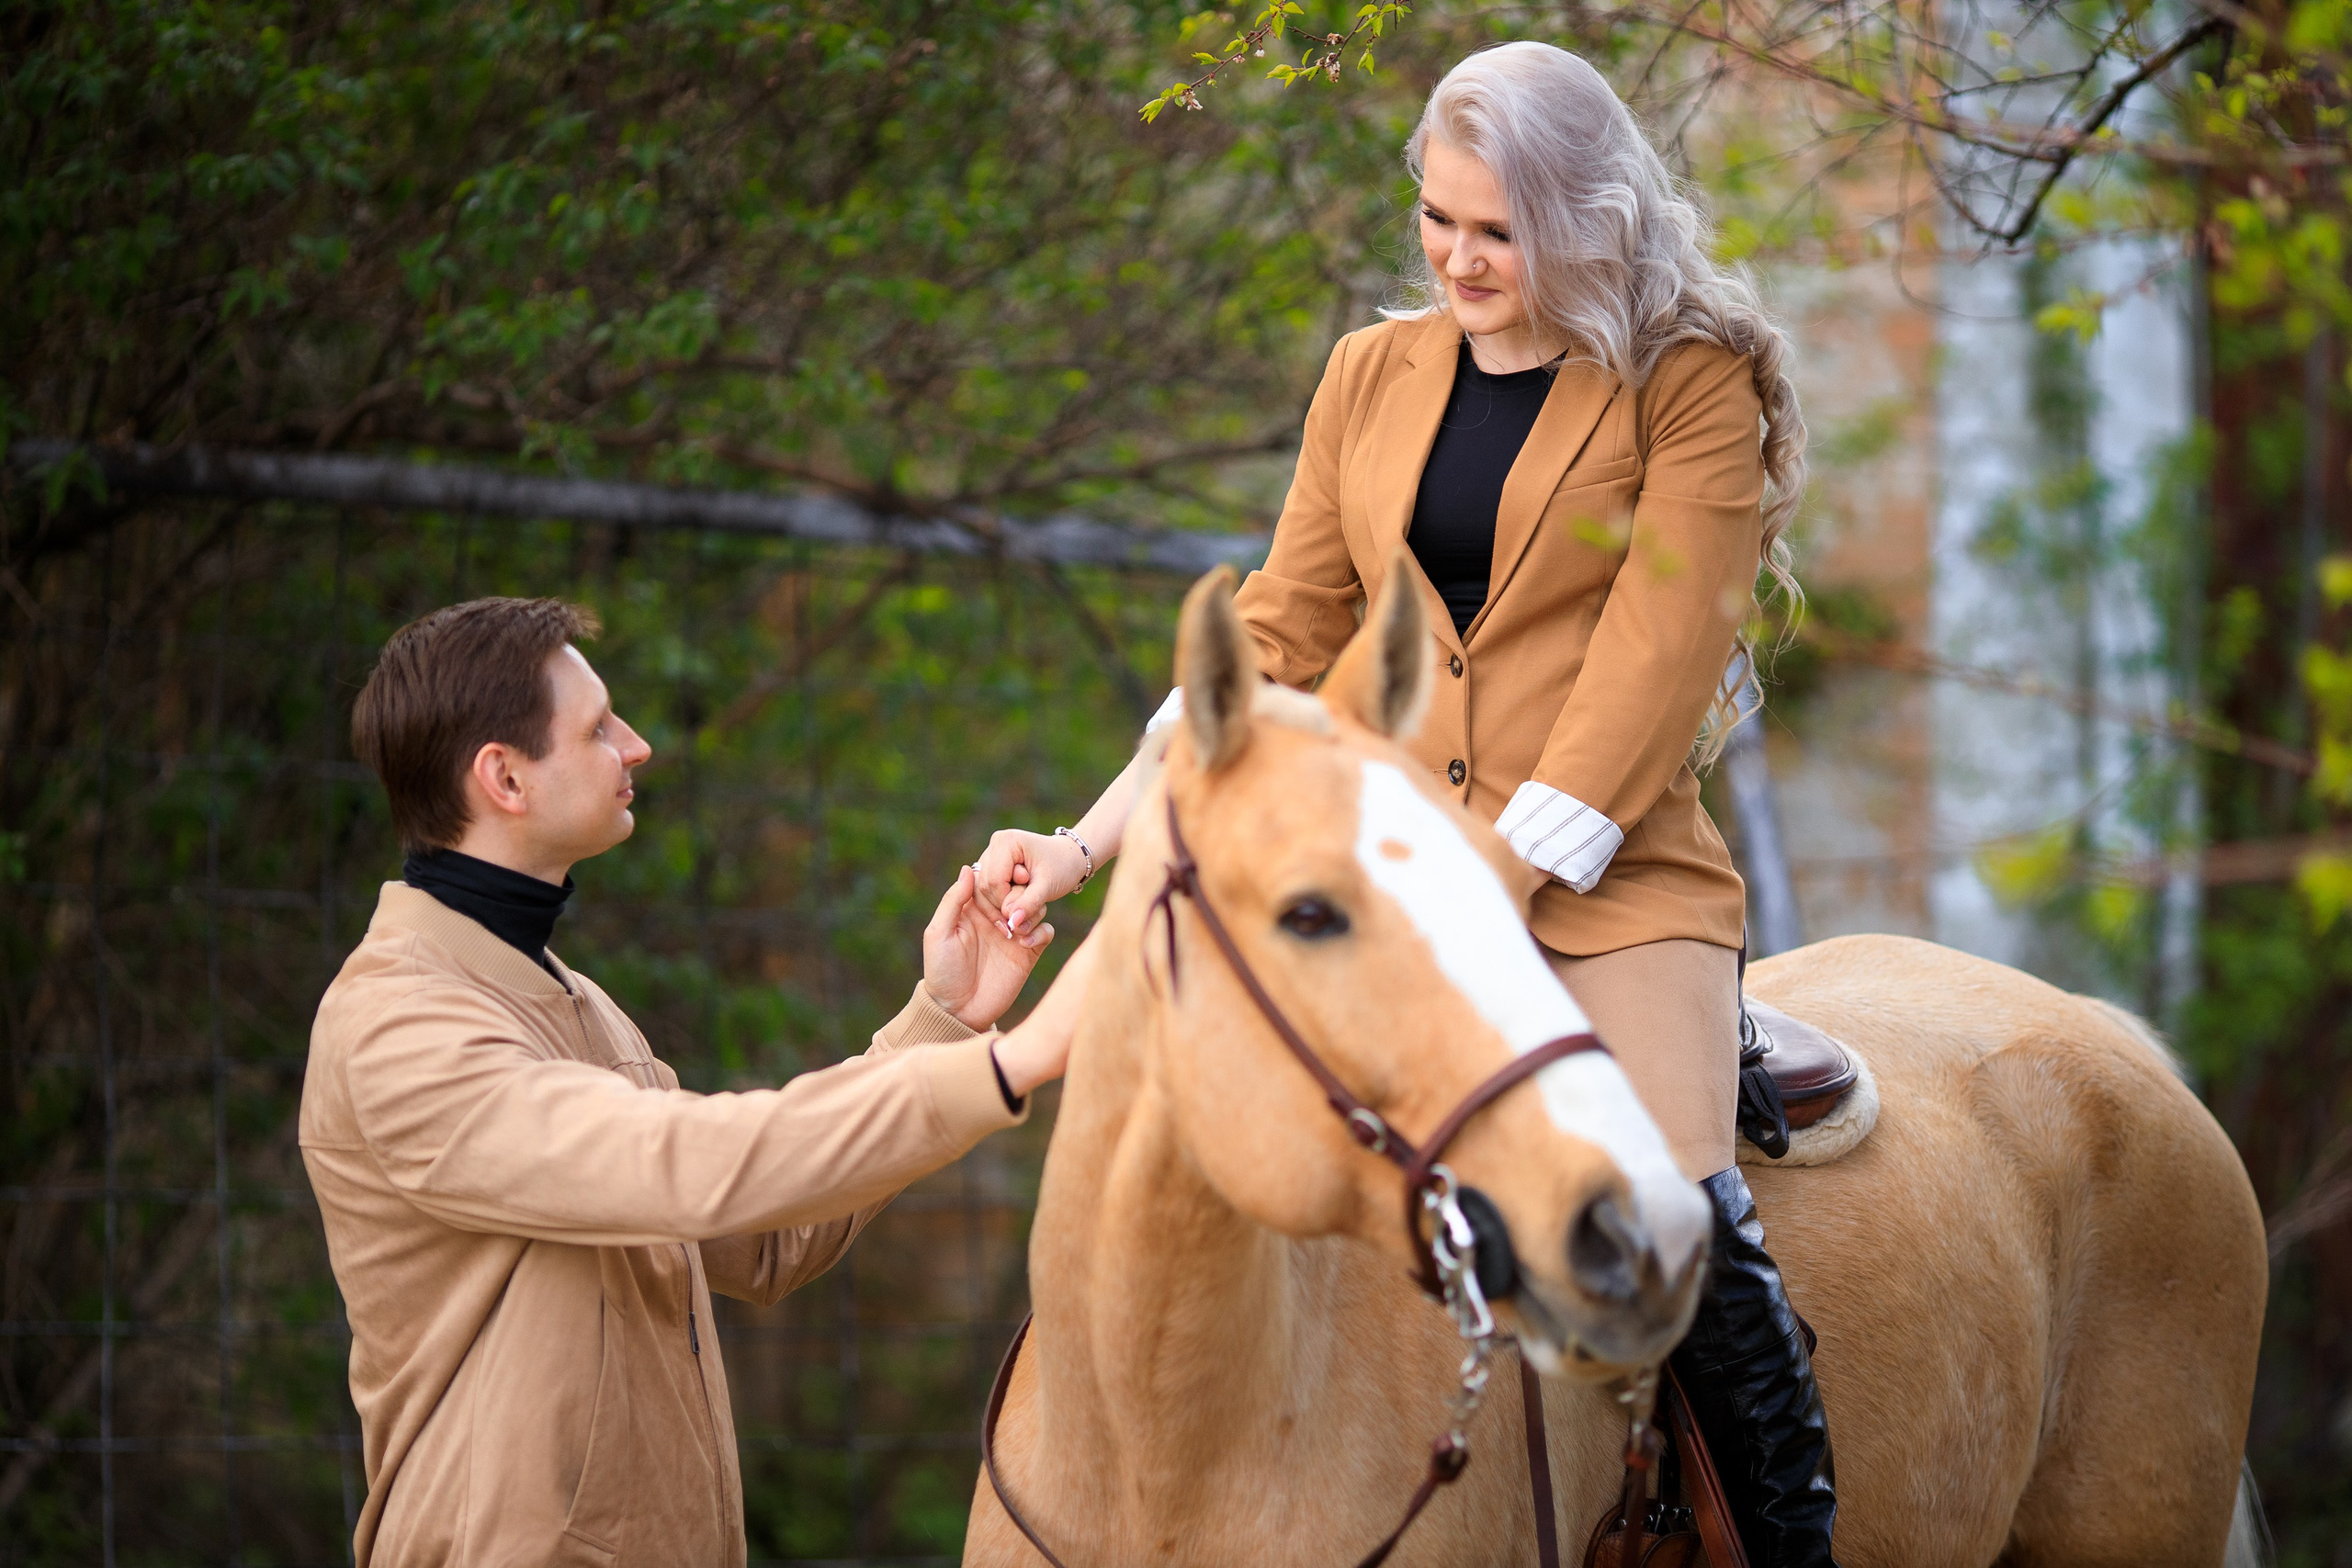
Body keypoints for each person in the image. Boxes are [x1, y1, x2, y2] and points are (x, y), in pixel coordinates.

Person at [973, 42, 1836, 1568]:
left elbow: (1649, 672)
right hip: (1397, 886)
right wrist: (1089, 836)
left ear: (1587, 218)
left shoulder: (1689, 389)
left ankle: (1783, 1541)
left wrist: (1479, 889)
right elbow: (1274, 631)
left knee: (1688, 1214)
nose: (1455, 257)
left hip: (1610, 883)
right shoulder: (1372, 374)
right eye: (1438, 219)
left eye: (1495, 231)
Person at [306, 596, 1091, 1568]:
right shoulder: (396, 1027)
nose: (635, 747)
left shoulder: (577, 1004)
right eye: (596, 729)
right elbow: (683, 1162)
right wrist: (1006, 1066)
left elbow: (762, 1239)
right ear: (504, 777)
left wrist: (942, 1021)